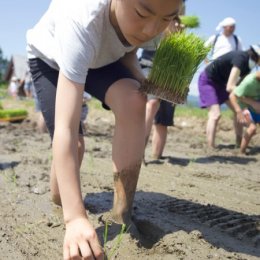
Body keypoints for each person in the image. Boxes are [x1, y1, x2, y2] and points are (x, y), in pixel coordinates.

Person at [26, 0, 182, 259]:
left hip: (101, 58)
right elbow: (66, 126)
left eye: (167, 18)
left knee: (134, 100)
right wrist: (75, 218)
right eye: (143, 13)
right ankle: (66, 204)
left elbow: (128, 50)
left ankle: (122, 213)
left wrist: (147, 84)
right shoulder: (81, 18)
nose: (150, 29)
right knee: (71, 157)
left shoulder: (153, 20)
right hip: (50, 59)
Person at [198, 44, 260, 149]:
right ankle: (210, 147)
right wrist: (250, 102)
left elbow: (239, 87)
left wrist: (243, 106)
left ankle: (238, 143)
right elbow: (231, 86)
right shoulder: (241, 59)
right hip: (209, 81)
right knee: (215, 114)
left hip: (222, 84)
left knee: (238, 110)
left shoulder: (249, 66)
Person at [140, 49, 176, 161]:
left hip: (174, 73)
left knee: (163, 119)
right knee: (152, 104)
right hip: (150, 66)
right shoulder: (156, 32)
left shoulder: (181, 34)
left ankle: (157, 157)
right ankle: (138, 153)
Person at [229, 71, 260, 153]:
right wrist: (238, 112)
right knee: (252, 128)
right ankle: (242, 152)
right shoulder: (249, 82)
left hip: (257, 109)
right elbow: (232, 96)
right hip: (246, 108)